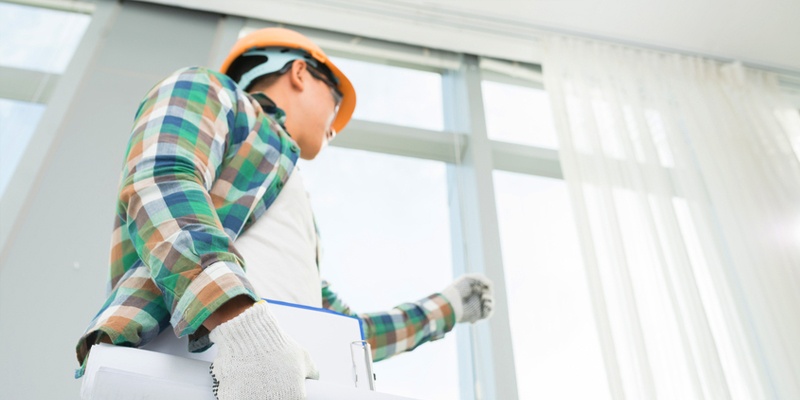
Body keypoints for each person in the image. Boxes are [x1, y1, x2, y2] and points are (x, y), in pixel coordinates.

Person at [75, 27, 494, 400]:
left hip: (284, 375)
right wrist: (243, 328)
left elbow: (349, 332)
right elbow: (163, 179)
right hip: (196, 364)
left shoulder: (286, 206)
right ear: (300, 72)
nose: (334, 126)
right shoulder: (210, 90)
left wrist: (449, 307)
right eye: (335, 102)